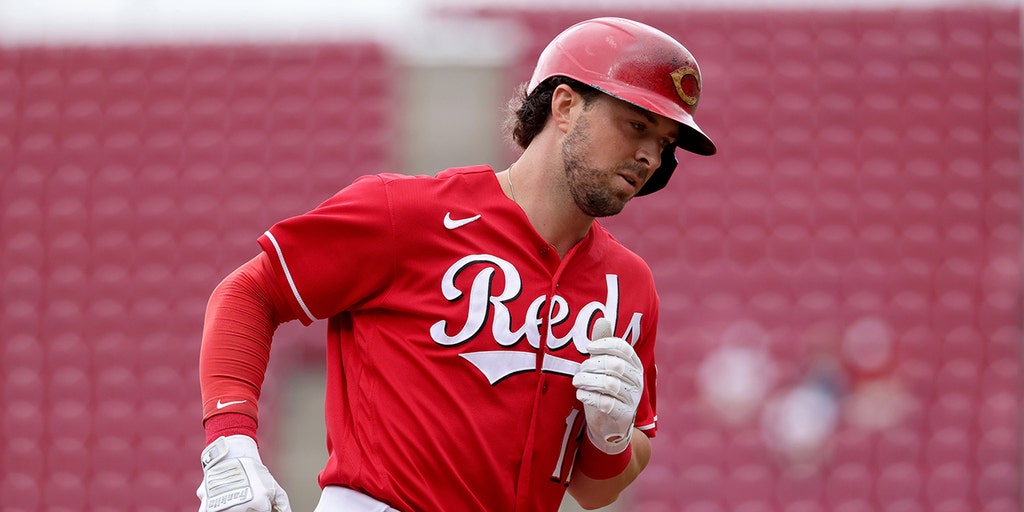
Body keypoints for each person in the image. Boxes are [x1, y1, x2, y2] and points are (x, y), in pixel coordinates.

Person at [196, 16, 716, 512]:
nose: (650, 155)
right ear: (564, 106)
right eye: (635, 125)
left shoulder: (630, 284)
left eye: (665, 143)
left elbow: (596, 491)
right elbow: (249, 294)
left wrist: (611, 437)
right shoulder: (406, 214)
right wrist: (230, 440)